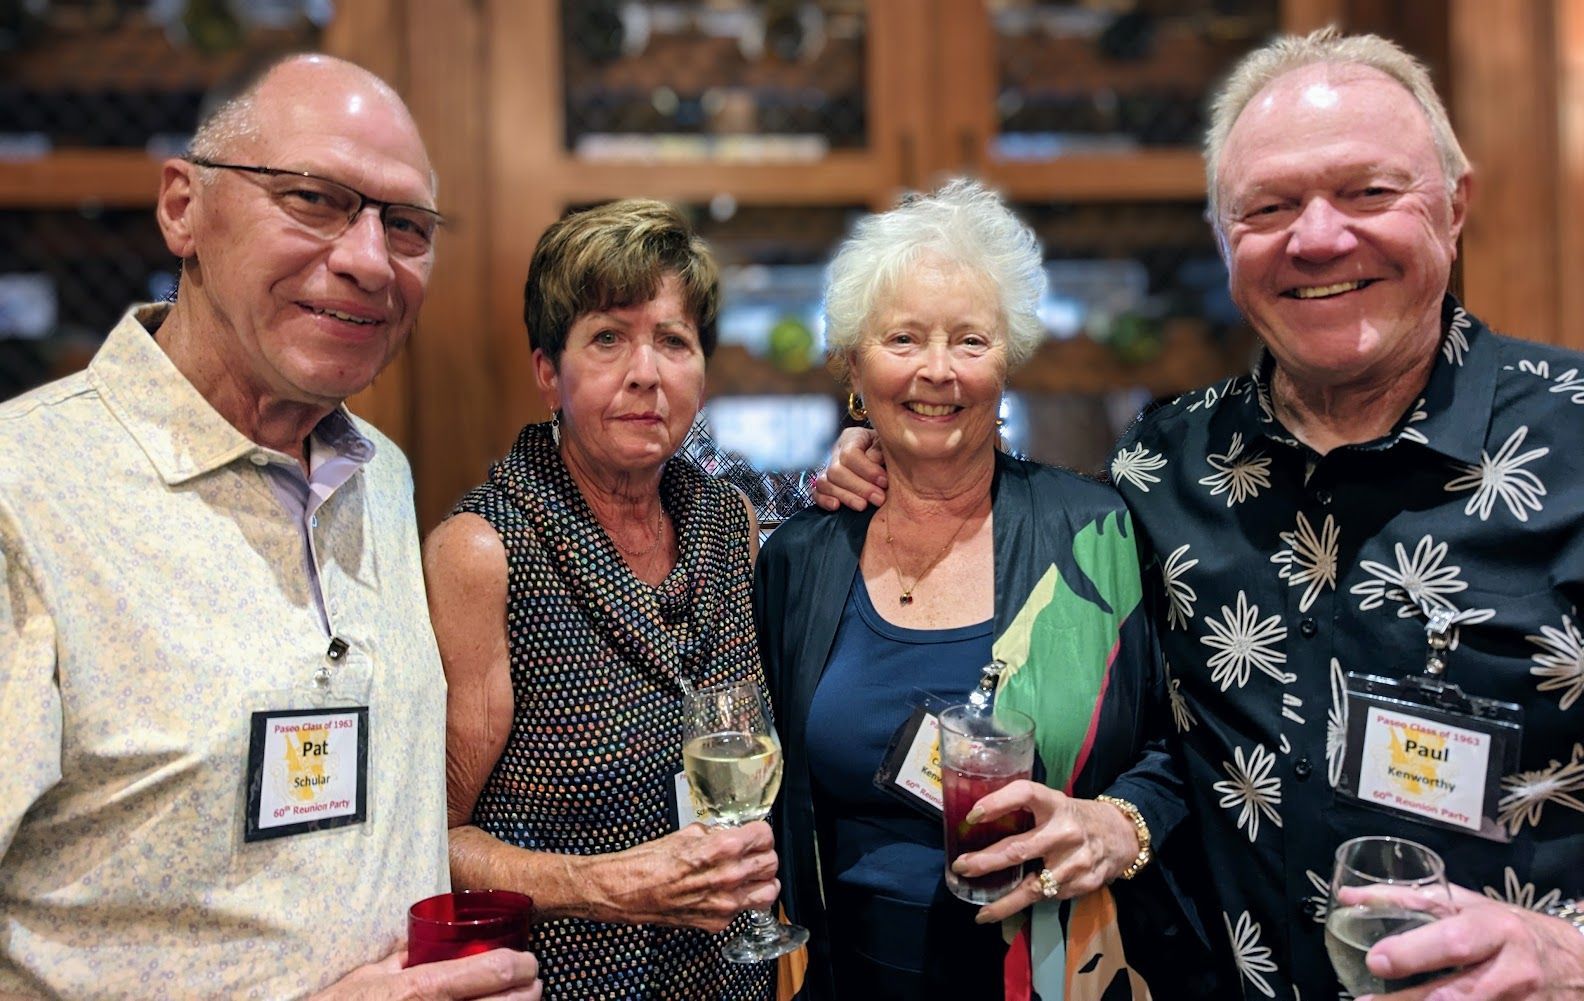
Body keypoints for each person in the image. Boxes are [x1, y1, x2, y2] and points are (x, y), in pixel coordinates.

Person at [818, 29, 1584, 1001]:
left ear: (1456, 204)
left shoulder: (1571, 444)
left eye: (1366, 191)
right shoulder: (1161, 468)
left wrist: (1568, 953)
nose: (1318, 238)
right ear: (1225, 238)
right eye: (1270, 207)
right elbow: (1158, 744)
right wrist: (893, 458)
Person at [0, 56, 540, 1000]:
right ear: (183, 209)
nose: (370, 259)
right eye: (314, 199)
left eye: (406, 226)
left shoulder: (380, 475)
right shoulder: (25, 493)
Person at [756, 180, 1217, 1001]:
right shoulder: (800, 559)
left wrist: (1121, 824)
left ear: (1007, 361)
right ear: (855, 363)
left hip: (1065, 972)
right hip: (852, 978)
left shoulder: (1098, 536)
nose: (938, 370)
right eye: (904, 337)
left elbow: (1190, 746)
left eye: (970, 340)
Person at [424, 199, 779, 999]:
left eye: (674, 341)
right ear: (548, 373)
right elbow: (429, 836)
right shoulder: (485, 551)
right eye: (608, 338)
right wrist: (606, 884)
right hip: (568, 980)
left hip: (731, 979)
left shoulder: (730, 524)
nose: (646, 372)